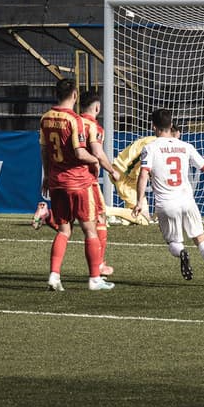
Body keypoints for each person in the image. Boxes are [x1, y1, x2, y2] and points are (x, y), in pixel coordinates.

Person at [135, 109, 204, 286]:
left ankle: (181, 253)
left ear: (153, 126)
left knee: (174, 241)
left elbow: (143, 175)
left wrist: (140, 201)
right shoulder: (185, 146)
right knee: (200, 238)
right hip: (187, 202)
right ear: (171, 125)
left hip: (166, 203)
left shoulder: (149, 148)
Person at [39, 76, 112, 291]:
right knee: (90, 230)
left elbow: (44, 150)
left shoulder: (45, 118)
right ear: (74, 95)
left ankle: (54, 276)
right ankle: (94, 279)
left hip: (56, 181)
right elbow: (80, 153)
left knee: (63, 230)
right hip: (78, 182)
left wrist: (46, 175)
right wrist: (95, 160)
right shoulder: (75, 120)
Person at [78, 90, 119, 276]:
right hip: (87, 180)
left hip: (66, 177)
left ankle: (49, 215)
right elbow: (97, 153)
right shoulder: (94, 127)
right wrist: (112, 170)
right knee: (100, 218)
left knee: (67, 223)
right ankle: (99, 265)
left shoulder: (73, 122)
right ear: (97, 107)